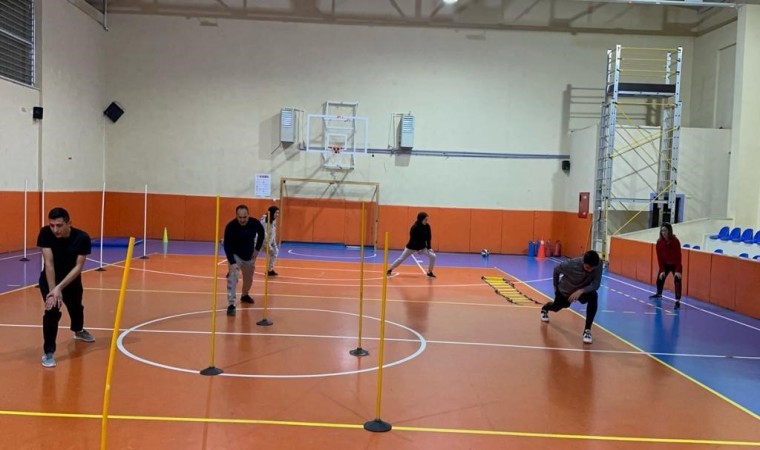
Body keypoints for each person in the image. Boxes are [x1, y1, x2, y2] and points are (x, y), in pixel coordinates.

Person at [37, 207, 94, 368]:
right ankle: (49, 352)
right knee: (51, 311)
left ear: (69, 223)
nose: (55, 230)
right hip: (49, 280)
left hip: (71, 280)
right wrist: (53, 291)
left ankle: (78, 330)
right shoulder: (45, 233)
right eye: (52, 225)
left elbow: (78, 267)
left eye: (59, 225)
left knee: (76, 308)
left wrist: (60, 287)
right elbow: (49, 263)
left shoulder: (82, 238)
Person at [540, 250, 602, 344]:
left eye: (592, 269)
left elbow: (596, 284)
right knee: (557, 307)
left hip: (581, 290)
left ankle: (587, 330)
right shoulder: (571, 264)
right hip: (566, 290)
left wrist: (581, 291)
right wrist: (555, 287)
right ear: (583, 262)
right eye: (587, 267)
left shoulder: (598, 265)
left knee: (593, 296)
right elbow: (556, 270)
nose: (590, 270)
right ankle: (545, 308)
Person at [223, 205, 265, 316]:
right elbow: (227, 245)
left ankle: (245, 295)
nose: (242, 220)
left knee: (248, 279)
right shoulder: (231, 226)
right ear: (236, 216)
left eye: (244, 217)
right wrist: (232, 262)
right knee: (233, 277)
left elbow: (262, 233)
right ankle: (231, 304)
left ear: (248, 215)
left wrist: (257, 250)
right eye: (240, 217)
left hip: (249, 257)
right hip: (235, 256)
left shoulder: (254, 223)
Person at [387, 211, 437, 278]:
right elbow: (413, 240)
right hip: (411, 246)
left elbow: (429, 237)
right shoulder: (414, 227)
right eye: (425, 219)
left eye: (427, 220)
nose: (426, 221)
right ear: (421, 219)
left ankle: (430, 272)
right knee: (401, 258)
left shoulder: (427, 226)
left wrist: (429, 247)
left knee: (433, 256)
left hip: (422, 247)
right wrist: (418, 249)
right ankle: (390, 269)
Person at [650, 222, 683, 309]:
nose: (663, 233)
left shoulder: (675, 241)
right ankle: (659, 294)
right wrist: (662, 270)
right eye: (662, 231)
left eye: (665, 231)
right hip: (665, 264)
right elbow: (659, 257)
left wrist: (678, 270)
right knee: (659, 279)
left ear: (669, 231)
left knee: (677, 281)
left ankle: (677, 301)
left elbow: (679, 256)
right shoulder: (659, 242)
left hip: (675, 264)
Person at [260, 205, 280, 276]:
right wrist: (268, 246)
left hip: (270, 241)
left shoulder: (273, 219)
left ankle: (270, 270)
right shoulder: (266, 222)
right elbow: (264, 235)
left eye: (278, 213)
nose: (277, 214)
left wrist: (273, 243)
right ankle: (234, 269)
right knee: (248, 256)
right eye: (276, 213)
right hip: (262, 242)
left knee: (275, 252)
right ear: (271, 212)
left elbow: (272, 233)